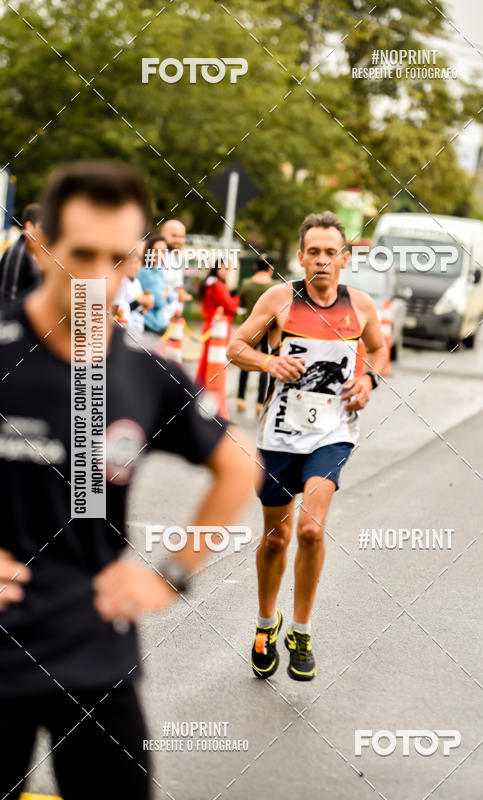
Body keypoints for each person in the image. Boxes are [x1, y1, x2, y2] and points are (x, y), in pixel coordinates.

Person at [0, 161, 255, 800]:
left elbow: (239, 466)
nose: (97, 276)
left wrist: (171, 571)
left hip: (95, 649)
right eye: (80, 253)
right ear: (40, 245)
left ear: (139, 258)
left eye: (117, 258)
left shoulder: (145, 373)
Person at [227, 211, 387, 682]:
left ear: (344, 258)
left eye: (330, 252)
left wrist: (368, 379)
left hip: (333, 433)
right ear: (300, 257)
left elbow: (378, 350)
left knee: (312, 531)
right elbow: (236, 347)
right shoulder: (280, 298)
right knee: (276, 537)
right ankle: (265, 623)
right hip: (278, 435)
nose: (321, 260)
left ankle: (300, 630)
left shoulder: (360, 307)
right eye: (312, 251)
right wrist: (267, 364)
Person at [236, 255, 279, 415]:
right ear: (270, 268)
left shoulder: (246, 284)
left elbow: (241, 305)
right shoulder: (275, 286)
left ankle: (240, 397)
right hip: (268, 330)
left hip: (249, 328)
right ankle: (260, 402)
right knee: (265, 363)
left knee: (245, 361)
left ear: (256, 266)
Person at [195, 258, 239, 387]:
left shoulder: (210, 283)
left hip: (210, 325)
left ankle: (201, 385)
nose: (227, 272)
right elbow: (231, 306)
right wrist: (236, 298)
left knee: (207, 358)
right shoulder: (218, 285)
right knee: (215, 360)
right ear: (217, 268)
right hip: (218, 327)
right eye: (225, 268)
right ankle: (207, 387)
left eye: (229, 269)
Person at [0, 203, 43, 307]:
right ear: (29, 226)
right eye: (41, 226)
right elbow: (7, 295)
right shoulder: (17, 251)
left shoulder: (32, 251)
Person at [112, 240, 154, 340]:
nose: (134, 267)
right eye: (130, 263)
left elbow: (138, 308)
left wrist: (146, 304)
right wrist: (138, 302)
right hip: (123, 331)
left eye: (136, 263)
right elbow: (116, 310)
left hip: (137, 329)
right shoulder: (121, 282)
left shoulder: (137, 282)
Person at [137, 233, 176, 337]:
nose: (159, 255)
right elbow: (159, 301)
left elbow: (173, 297)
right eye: (156, 251)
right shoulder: (144, 272)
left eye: (163, 251)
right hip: (147, 324)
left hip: (159, 324)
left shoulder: (158, 272)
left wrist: (166, 295)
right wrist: (166, 294)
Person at [159, 219, 192, 319]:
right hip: (157, 321)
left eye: (181, 237)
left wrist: (182, 293)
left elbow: (175, 285)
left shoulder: (174, 257)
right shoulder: (157, 256)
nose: (178, 240)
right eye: (174, 236)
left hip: (172, 319)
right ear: (162, 234)